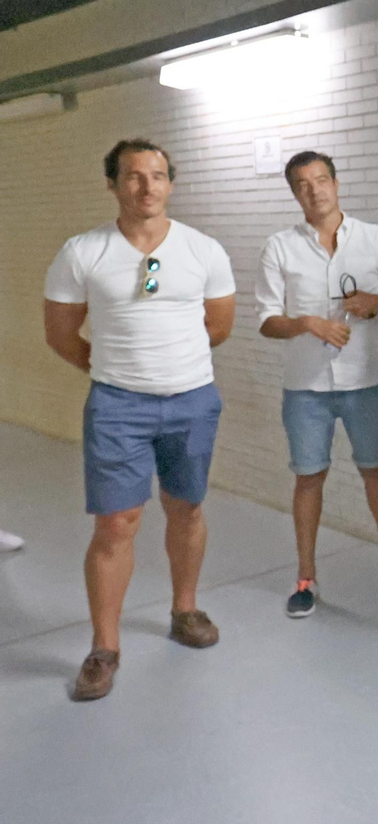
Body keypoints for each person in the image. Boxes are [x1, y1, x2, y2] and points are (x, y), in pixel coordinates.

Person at [43, 139, 236, 702]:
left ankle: (185, 608)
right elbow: (60, 334)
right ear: (112, 185)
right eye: (133, 176)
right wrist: (115, 370)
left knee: (187, 506)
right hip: (117, 406)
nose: (146, 186)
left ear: (170, 183)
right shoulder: (83, 252)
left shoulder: (203, 250)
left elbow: (217, 326)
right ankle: (105, 647)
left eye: (157, 176)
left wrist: (173, 366)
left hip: (192, 401)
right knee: (116, 523)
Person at [256, 150, 378, 618]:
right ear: (295, 193)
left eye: (322, 179)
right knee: (309, 478)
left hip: (366, 381)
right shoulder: (280, 246)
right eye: (304, 184)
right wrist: (307, 323)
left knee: (376, 469)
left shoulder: (374, 238)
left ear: (336, 183)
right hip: (306, 386)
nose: (315, 189)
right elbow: (268, 321)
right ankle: (306, 577)